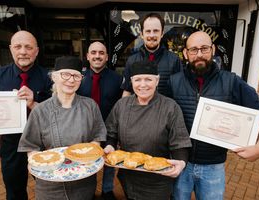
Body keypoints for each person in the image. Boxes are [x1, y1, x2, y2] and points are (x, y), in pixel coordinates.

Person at [169, 31, 259, 199]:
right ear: (185, 53)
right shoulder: (173, 82)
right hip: (179, 164)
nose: (199, 54)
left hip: (213, 168)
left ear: (213, 50)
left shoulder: (231, 81)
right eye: (193, 49)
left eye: (204, 48)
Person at [0, 30, 52, 200]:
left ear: (36, 51)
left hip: (42, 144)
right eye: (18, 47)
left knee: (49, 188)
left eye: (28, 47)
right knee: (14, 192)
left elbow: (55, 115)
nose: (23, 52)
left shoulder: (49, 78)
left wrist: (34, 101)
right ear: (11, 49)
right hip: (11, 146)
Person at [18, 56, 107, 200]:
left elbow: (97, 136)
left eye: (76, 76)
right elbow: (30, 146)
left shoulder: (90, 106)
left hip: (83, 183)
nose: (71, 80)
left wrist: (89, 153)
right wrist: (45, 163)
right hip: (50, 186)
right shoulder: (40, 110)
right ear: (54, 77)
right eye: (65, 74)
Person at [104, 60, 192, 200]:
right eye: (138, 79)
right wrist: (109, 145)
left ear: (157, 81)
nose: (143, 84)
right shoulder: (122, 105)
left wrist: (181, 162)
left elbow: (179, 142)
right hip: (129, 177)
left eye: (148, 79)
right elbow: (111, 133)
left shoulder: (170, 107)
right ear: (131, 82)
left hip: (158, 180)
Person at [77, 41, 122, 200]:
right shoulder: (78, 79)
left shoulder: (117, 79)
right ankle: (88, 191)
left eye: (101, 53)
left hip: (110, 129)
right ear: (88, 56)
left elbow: (121, 106)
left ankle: (107, 190)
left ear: (107, 57)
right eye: (94, 53)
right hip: (86, 130)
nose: (97, 56)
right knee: (87, 161)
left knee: (109, 160)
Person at [121, 13, 182, 97]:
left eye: (156, 31)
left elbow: (179, 91)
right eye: (148, 31)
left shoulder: (174, 60)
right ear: (142, 34)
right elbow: (127, 91)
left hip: (165, 109)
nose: (152, 35)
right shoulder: (132, 60)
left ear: (162, 33)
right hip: (139, 110)